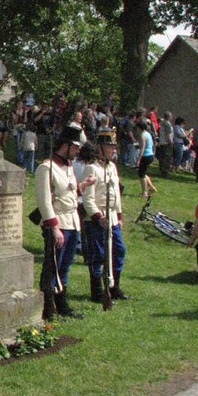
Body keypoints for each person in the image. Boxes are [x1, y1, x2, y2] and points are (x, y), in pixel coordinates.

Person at [35, 126, 96, 319]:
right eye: (76, 147)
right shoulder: (46, 168)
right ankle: (48, 308)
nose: (78, 151)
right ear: (66, 145)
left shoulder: (68, 166)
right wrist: (54, 228)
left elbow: (67, 192)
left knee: (65, 265)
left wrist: (83, 185)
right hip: (58, 224)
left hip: (72, 222)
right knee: (52, 266)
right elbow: (44, 201)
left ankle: (62, 304)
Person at [82, 130, 129, 302]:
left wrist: (119, 216)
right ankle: (97, 291)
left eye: (114, 146)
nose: (113, 150)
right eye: (110, 146)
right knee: (98, 254)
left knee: (119, 250)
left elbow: (116, 194)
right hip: (97, 219)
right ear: (100, 148)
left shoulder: (112, 167)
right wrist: (98, 217)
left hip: (112, 218)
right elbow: (88, 199)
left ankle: (114, 287)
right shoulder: (91, 168)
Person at [136, 120, 157, 197]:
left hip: (146, 156)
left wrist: (139, 159)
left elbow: (143, 148)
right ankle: (151, 187)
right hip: (150, 155)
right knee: (143, 173)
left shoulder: (142, 135)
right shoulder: (148, 133)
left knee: (141, 175)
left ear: (139, 127)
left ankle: (144, 192)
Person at [156, 111, 174, 178]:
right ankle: (165, 173)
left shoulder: (162, 123)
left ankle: (162, 170)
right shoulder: (167, 124)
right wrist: (171, 142)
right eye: (171, 116)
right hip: (166, 143)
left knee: (162, 158)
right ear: (169, 117)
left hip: (162, 142)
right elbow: (168, 134)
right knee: (167, 159)